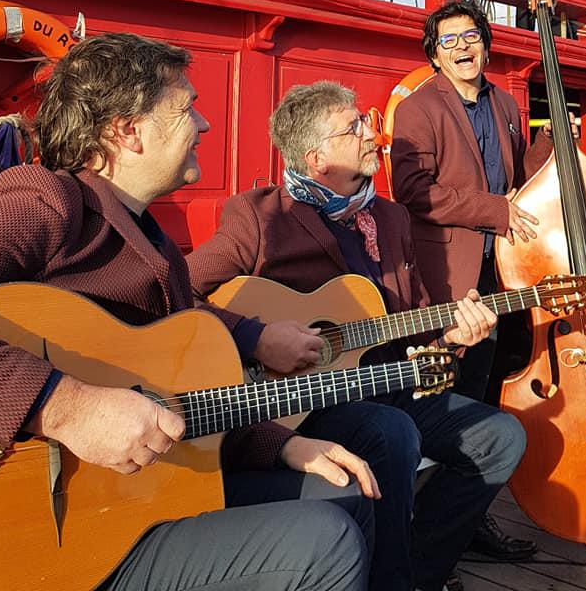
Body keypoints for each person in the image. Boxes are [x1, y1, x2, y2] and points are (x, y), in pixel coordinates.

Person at [0, 33, 371, 591]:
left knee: (347, 491)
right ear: (126, 130)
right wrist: (62, 406)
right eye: (187, 108)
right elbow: (81, 406)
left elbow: (182, 398)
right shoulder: (48, 203)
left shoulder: (157, 250)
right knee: (327, 542)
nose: (204, 125)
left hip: (141, 497)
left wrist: (283, 444)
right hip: (40, 535)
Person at [188, 80, 529, 591]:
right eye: (356, 127)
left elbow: (413, 315)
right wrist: (255, 335)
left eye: (366, 121)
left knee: (500, 436)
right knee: (391, 433)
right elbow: (178, 292)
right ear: (316, 156)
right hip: (303, 398)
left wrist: (453, 334)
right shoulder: (259, 217)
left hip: (390, 380)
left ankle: (415, 570)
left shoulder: (390, 218)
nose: (374, 134)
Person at [389, 0, 553, 562]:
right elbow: (415, 192)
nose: (462, 47)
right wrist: (494, 210)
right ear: (434, 54)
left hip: (500, 274)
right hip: (446, 281)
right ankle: (426, 536)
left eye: (471, 37)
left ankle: (467, 525)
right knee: (445, 409)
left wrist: (555, 144)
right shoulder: (418, 109)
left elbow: (522, 181)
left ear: (486, 44)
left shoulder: (506, 105)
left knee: (481, 397)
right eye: (449, 39)